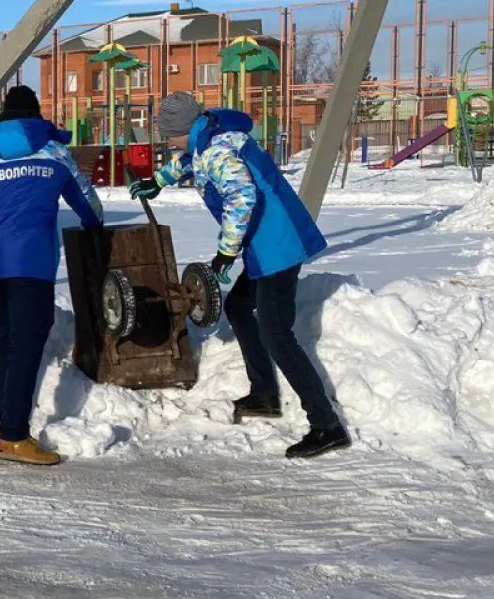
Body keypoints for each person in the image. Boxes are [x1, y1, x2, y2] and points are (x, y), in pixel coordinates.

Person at [131, 91, 349, 459]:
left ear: (180, 129)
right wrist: (159, 179)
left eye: (167, 134)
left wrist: (225, 252)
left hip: (277, 244)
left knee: (276, 333)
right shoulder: (210, 137)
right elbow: (191, 162)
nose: (166, 140)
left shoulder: (215, 149)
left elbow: (242, 197)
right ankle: (264, 394)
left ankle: (326, 425)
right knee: (238, 307)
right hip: (267, 243)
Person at [0, 85, 104, 466]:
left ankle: (4, 415)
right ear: (36, 115)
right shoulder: (53, 152)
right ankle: (14, 437)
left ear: (4, 115)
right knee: (27, 341)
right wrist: (94, 225)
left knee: (3, 337)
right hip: (31, 260)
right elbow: (86, 200)